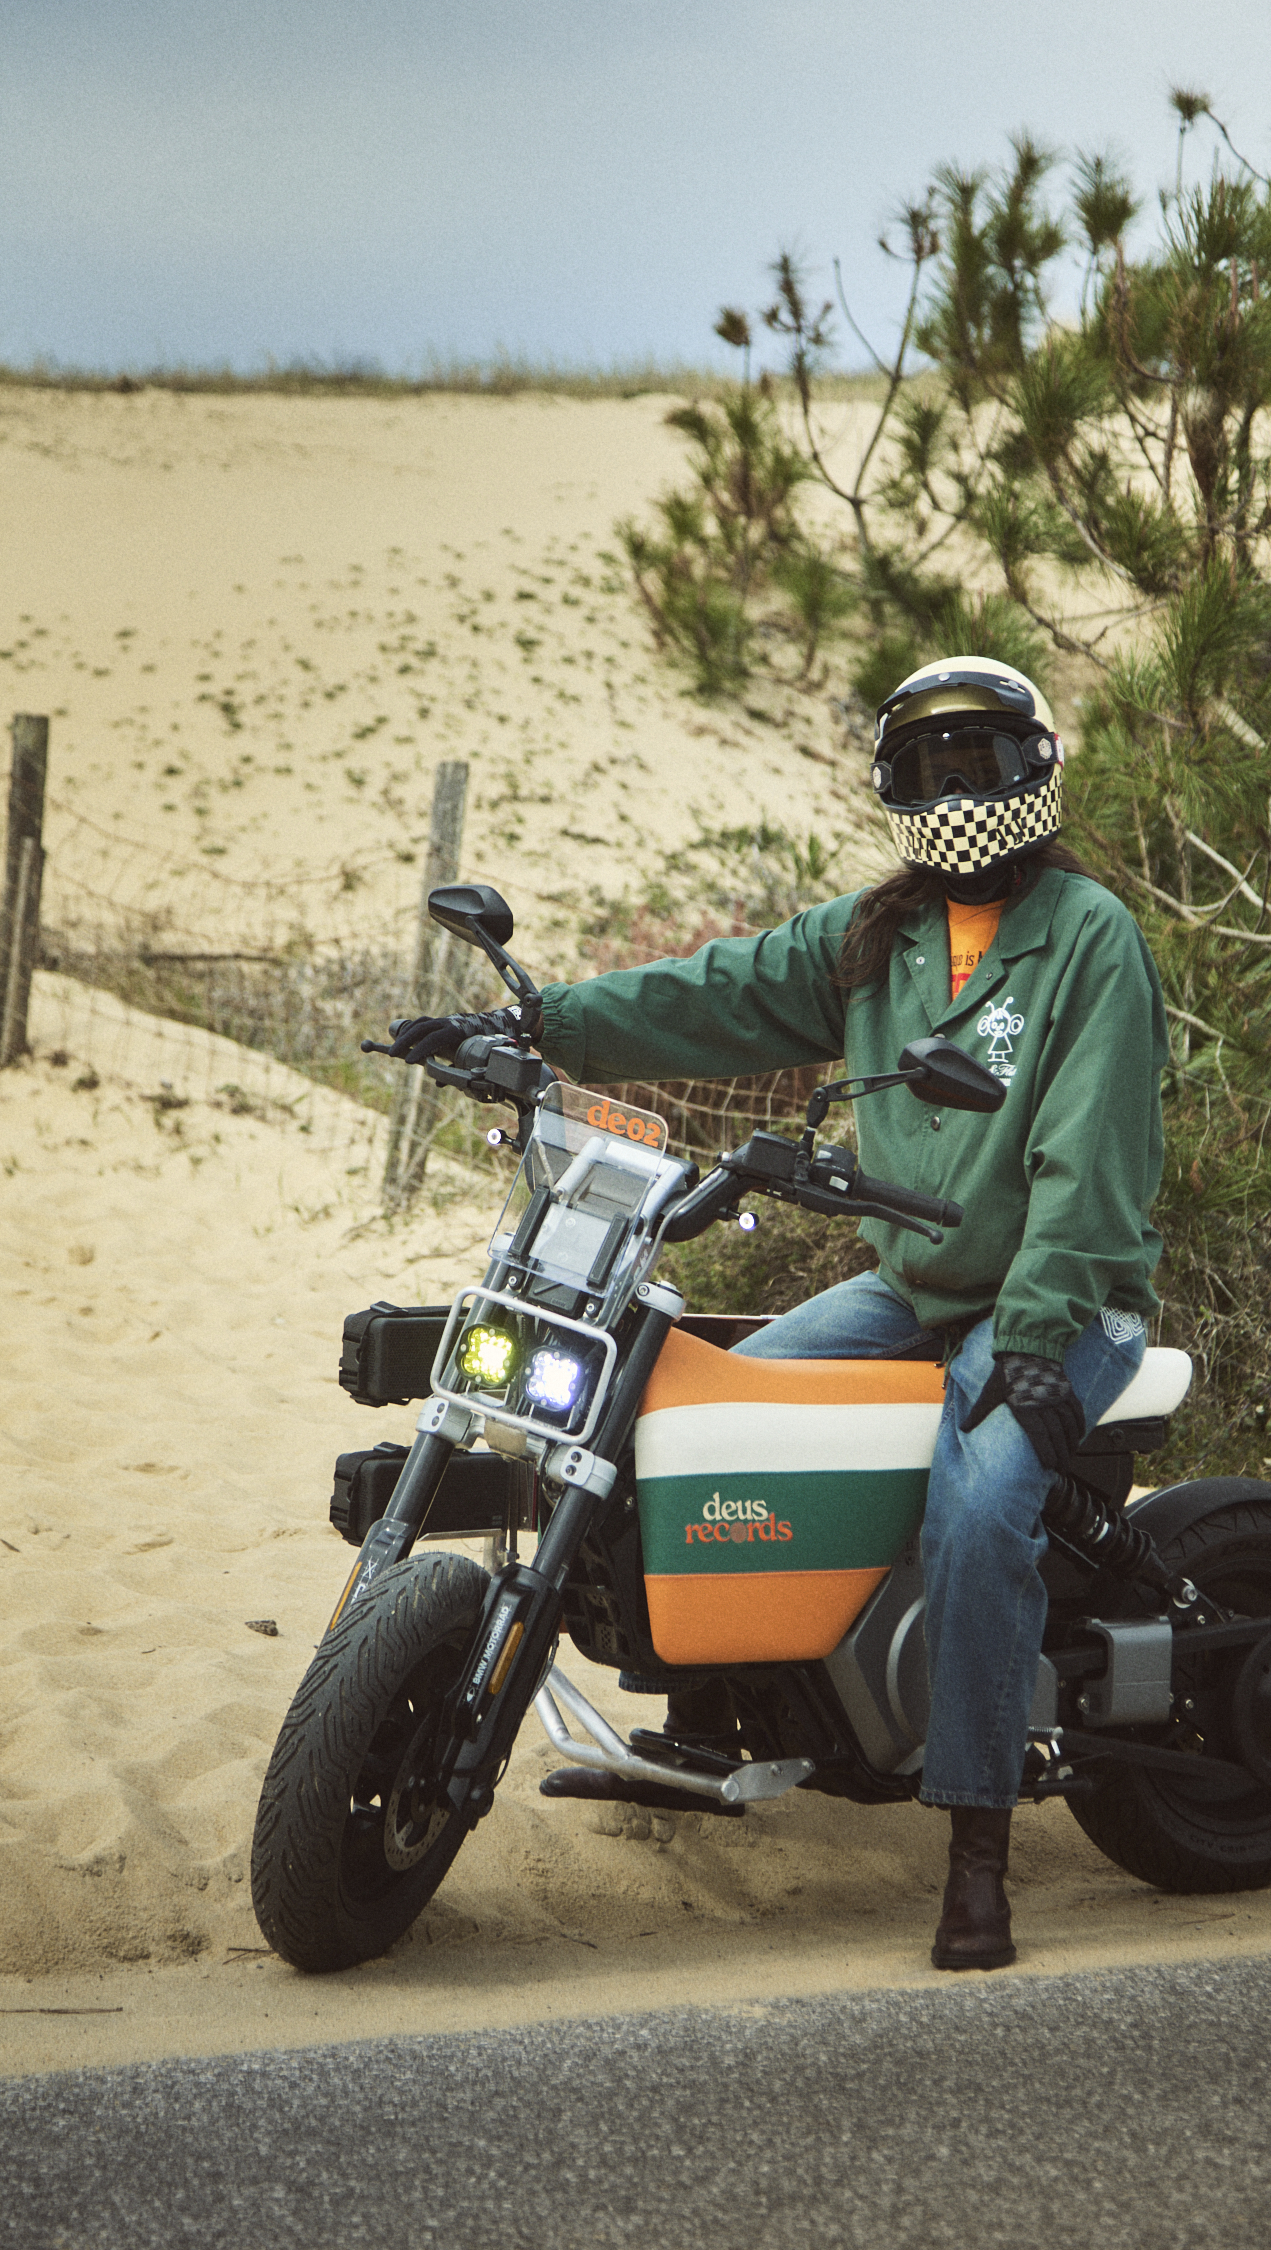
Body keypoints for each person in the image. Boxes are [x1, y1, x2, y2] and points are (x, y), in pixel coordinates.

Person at [391, 655, 1168, 1971]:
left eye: (977, 762)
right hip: (917, 1284)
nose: (954, 792)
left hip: (1066, 1296)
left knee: (983, 1501)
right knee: (713, 1413)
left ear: (1033, 767)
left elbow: (1086, 1168)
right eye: (928, 768)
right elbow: (718, 991)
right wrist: (534, 1025)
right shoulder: (876, 937)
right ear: (894, 787)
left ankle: (977, 1843)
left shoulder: (1088, 937)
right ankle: (719, 1710)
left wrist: (1039, 1340)